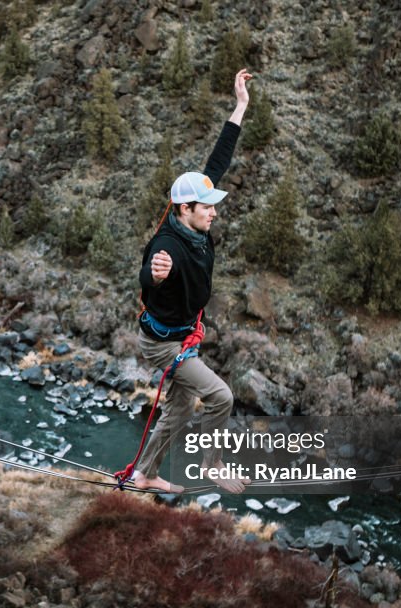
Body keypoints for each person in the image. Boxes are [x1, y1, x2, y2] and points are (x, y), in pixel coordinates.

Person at [130, 68, 254, 494]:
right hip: (164, 343)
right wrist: (155, 276)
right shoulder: (167, 245)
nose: (214, 212)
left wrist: (239, 107)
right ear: (184, 210)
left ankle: (144, 474)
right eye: (207, 207)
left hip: (184, 334)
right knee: (221, 396)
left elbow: (217, 162)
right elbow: (148, 280)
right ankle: (212, 465)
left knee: (179, 409)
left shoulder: (190, 212)